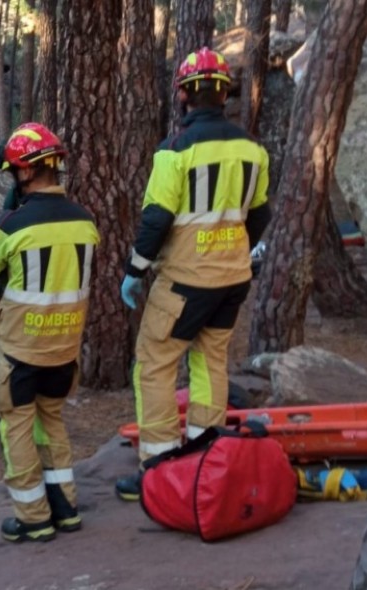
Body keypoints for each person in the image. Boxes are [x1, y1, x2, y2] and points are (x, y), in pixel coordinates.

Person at [115, 48, 272, 500]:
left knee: (155, 366)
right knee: (209, 362)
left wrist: (134, 271)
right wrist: (232, 244)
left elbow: (155, 220)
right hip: (232, 280)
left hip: (184, 281)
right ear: (225, 94)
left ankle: (159, 470)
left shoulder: (174, 151)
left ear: (183, 95)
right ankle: (206, 457)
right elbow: (259, 215)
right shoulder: (252, 149)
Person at [0, 123, 100, 542]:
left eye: (13, 172)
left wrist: (6, 215)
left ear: (25, 173)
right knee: (53, 422)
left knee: (17, 427)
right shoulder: (86, 223)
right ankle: (64, 507)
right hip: (64, 351)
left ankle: (32, 516)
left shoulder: (12, 226)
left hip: (20, 352)